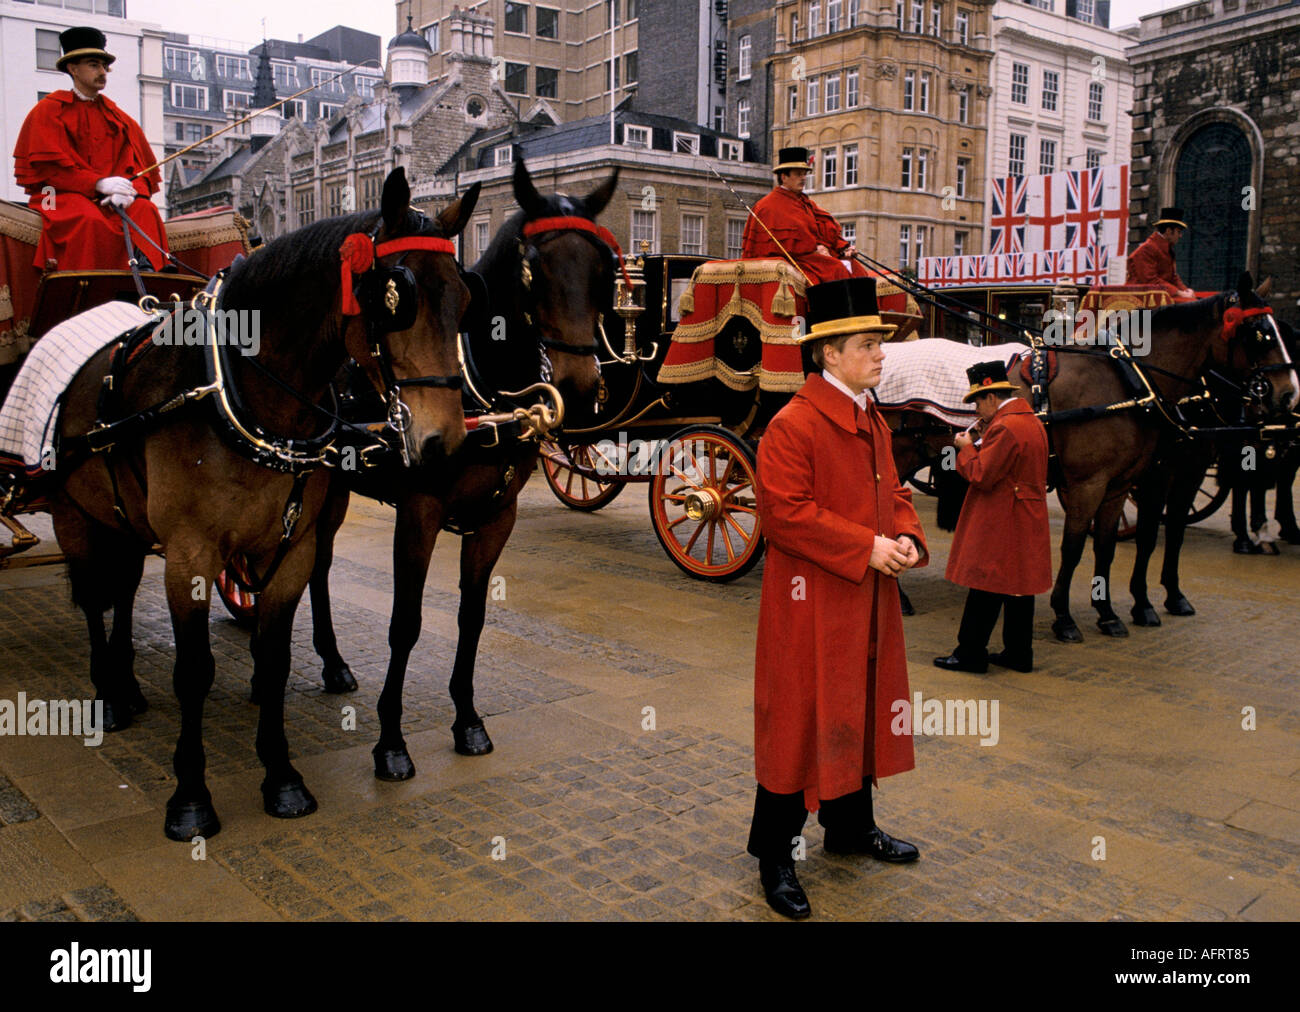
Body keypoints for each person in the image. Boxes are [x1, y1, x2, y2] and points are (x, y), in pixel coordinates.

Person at [747, 276, 928, 919]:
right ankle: (775, 857)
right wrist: (867, 547)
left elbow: (895, 494)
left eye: (879, 341)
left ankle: (849, 830)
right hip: (809, 608)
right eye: (867, 343)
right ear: (828, 354)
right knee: (797, 723)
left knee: (858, 710)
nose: (881, 353)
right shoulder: (793, 425)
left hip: (864, 602)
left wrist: (904, 535)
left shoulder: (868, 415)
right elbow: (784, 516)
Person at [12, 27, 168, 272]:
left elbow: (141, 170)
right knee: (88, 219)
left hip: (109, 199)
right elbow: (48, 174)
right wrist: (98, 184)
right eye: (94, 65)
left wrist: (129, 193)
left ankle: (151, 275)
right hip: (52, 194)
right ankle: (86, 287)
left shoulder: (119, 118)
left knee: (146, 209)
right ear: (73, 69)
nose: (103, 72)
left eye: (105, 67)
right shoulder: (48, 111)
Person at [934, 361, 1051, 674]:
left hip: (1003, 518)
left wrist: (966, 448)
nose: (975, 411)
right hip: (1026, 514)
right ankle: (1018, 653)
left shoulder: (1005, 427)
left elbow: (982, 475)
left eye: (976, 403)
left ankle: (970, 653)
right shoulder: (1030, 422)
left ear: (990, 397)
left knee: (984, 585)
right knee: (1018, 589)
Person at [741, 147, 868, 284]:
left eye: (804, 174)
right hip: (793, 261)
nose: (803, 178)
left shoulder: (806, 203)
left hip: (812, 258)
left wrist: (842, 248)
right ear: (784, 177)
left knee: (855, 268)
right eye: (798, 174)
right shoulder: (767, 206)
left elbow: (824, 230)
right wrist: (816, 248)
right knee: (836, 269)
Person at [1125, 207, 1195, 299]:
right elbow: (1150, 281)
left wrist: (1187, 292)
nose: (1180, 236)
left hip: (1159, 298)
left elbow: (1173, 277)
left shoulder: (1165, 249)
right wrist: (1179, 293)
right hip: (1138, 302)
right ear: (1169, 231)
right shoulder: (1147, 249)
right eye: (1179, 231)